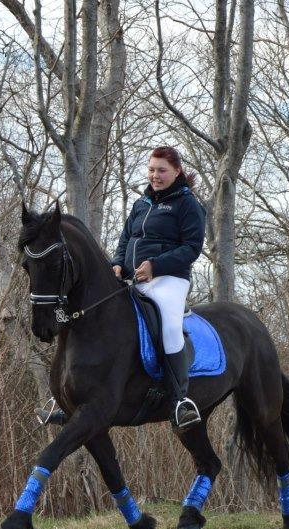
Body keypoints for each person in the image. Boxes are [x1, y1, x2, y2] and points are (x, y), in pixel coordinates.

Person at [110, 146, 206, 429]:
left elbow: (192, 248)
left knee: (168, 326)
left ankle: (180, 401)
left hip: (170, 280)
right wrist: (117, 263)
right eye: (151, 169)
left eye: (161, 170)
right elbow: (126, 238)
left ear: (176, 171)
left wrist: (156, 266)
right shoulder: (141, 203)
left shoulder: (188, 204)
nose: (155, 175)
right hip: (134, 279)